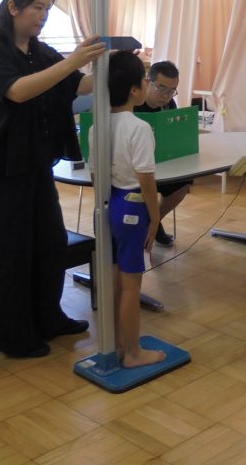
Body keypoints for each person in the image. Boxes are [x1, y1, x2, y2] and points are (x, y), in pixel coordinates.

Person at [0, 0, 105, 358]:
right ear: (13, 7)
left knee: (50, 243)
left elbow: (78, 85)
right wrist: (73, 61)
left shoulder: (39, 51)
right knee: (10, 253)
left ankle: (49, 317)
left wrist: (112, 66)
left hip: (35, 164)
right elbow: (18, 90)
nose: (42, 16)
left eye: (46, 9)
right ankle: (14, 335)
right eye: (37, 8)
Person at [89, 51, 166, 368]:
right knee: (132, 284)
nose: (148, 85)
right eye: (146, 80)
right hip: (132, 206)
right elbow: (146, 178)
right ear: (135, 90)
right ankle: (133, 353)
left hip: (110, 205)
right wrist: (155, 217)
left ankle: (117, 344)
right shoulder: (139, 127)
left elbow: (96, 176)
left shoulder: (97, 127)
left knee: (113, 280)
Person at [133, 60, 190, 247]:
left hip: (161, 163)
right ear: (148, 82)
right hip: (134, 166)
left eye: (172, 91)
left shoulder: (169, 105)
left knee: (183, 183)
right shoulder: (132, 103)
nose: (166, 96)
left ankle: (153, 221)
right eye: (161, 89)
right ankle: (150, 224)